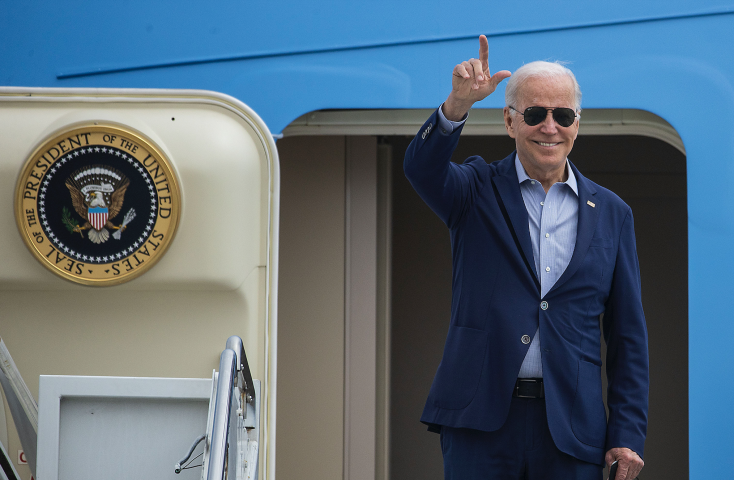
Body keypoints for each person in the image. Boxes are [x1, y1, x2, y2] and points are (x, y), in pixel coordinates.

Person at [404, 35, 648, 480]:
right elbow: (421, 169)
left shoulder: (613, 213)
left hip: (573, 430)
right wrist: (456, 106)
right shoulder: (475, 189)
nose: (549, 126)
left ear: (578, 123)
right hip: (480, 420)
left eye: (563, 115)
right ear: (510, 121)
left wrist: (627, 433)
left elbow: (628, 336)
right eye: (535, 114)